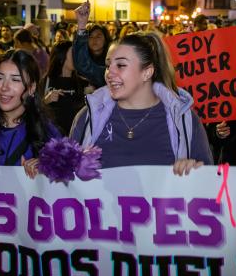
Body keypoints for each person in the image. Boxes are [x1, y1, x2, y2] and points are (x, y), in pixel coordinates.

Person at [69, 32, 212, 174]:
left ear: (147, 72)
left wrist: (194, 170)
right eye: (108, 65)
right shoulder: (88, 116)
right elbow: (66, 183)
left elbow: (209, 182)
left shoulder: (183, 118)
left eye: (120, 65)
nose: (109, 73)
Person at [43, 40, 87, 134]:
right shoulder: (46, 81)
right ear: (61, 56)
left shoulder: (84, 83)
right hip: (53, 140)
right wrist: (46, 100)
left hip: (76, 138)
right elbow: (34, 110)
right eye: (73, 53)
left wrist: (90, 97)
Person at [72, 1, 110, 87]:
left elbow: (86, 67)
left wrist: (81, 25)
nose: (94, 40)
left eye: (98, 36)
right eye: (90, 36)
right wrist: (81, 25)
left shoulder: (111, 61)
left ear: (106, 39)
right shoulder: (79, 55)